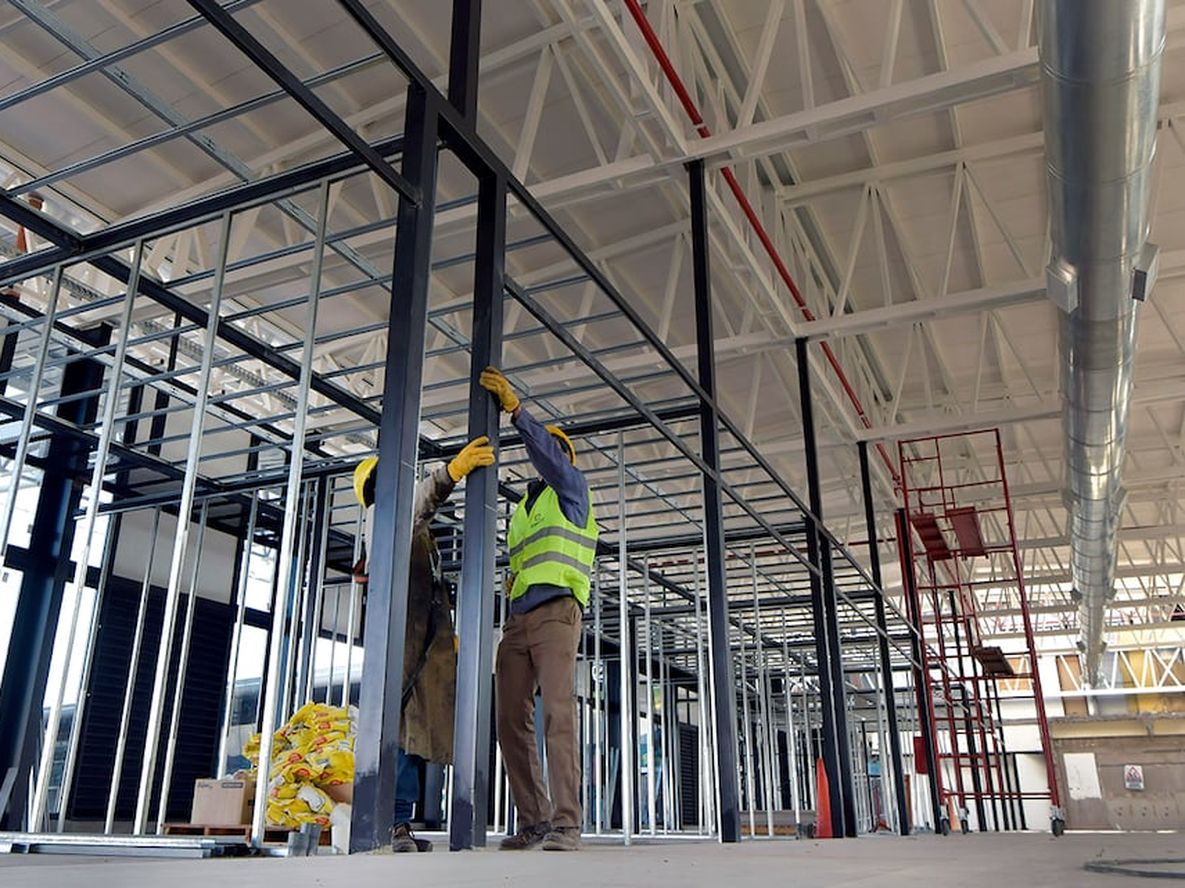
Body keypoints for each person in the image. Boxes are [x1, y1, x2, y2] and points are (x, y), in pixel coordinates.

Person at [351, 435, 495, 852]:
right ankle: (391, 823)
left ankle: (400, 823)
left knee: (413, 739)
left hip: (421, 648)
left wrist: (447, 638)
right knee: (399, 734)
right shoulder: (383, 517)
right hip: (399, 647)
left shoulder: (418, 534)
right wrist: (449, 473)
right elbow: (421, 501)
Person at [480, 366, 598, 852]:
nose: (548, 457)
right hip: (519, 621)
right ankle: (535, 820)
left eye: (554, 450)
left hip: (557, 614)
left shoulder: (572, 490)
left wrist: (517, 411)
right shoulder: (524, 511)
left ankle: (567, 823)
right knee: (509, 717)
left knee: (557, 713)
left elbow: (548, 456)